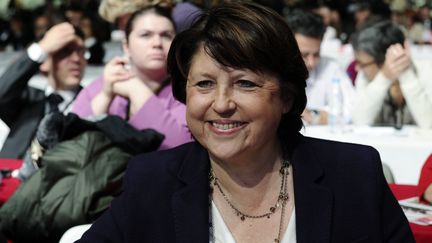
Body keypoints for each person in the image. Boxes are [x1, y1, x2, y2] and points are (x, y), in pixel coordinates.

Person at [77, 2, 414, 242]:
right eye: (204, 84)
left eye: (245, 83)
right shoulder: (152, 182)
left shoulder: (353, 174)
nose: (221, 104)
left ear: (285, 97)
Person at [72, 5, 191, 150]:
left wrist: (135, 89)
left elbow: (181, 145)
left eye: (166, 35)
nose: (157, 43)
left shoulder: (187, 91)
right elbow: (70, 142)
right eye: (146, 35)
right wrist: (105, 95)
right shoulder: (101, 86)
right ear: (126, 46)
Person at [0, 22, 87, 159]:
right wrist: (41, 48)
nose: (76, 59)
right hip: (13, 177)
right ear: (45, 62)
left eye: (81, 51)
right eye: (65, 51)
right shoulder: (28, 99)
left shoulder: (92, 102)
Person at [351, 20, 432, 128]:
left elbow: (429, 124)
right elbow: (359, 121)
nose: (357, 68)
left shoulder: (425, 71)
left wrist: (406, 75)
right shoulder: (364, 76)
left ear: (384, 61)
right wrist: (384, 77)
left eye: (362, 64)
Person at [285, 9, 355, 125]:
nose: (311, 63)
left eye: (316, 54)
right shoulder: (275, 72)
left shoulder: (331, 67)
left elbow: (351, 110)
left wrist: (312, 115)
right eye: (304, 55)